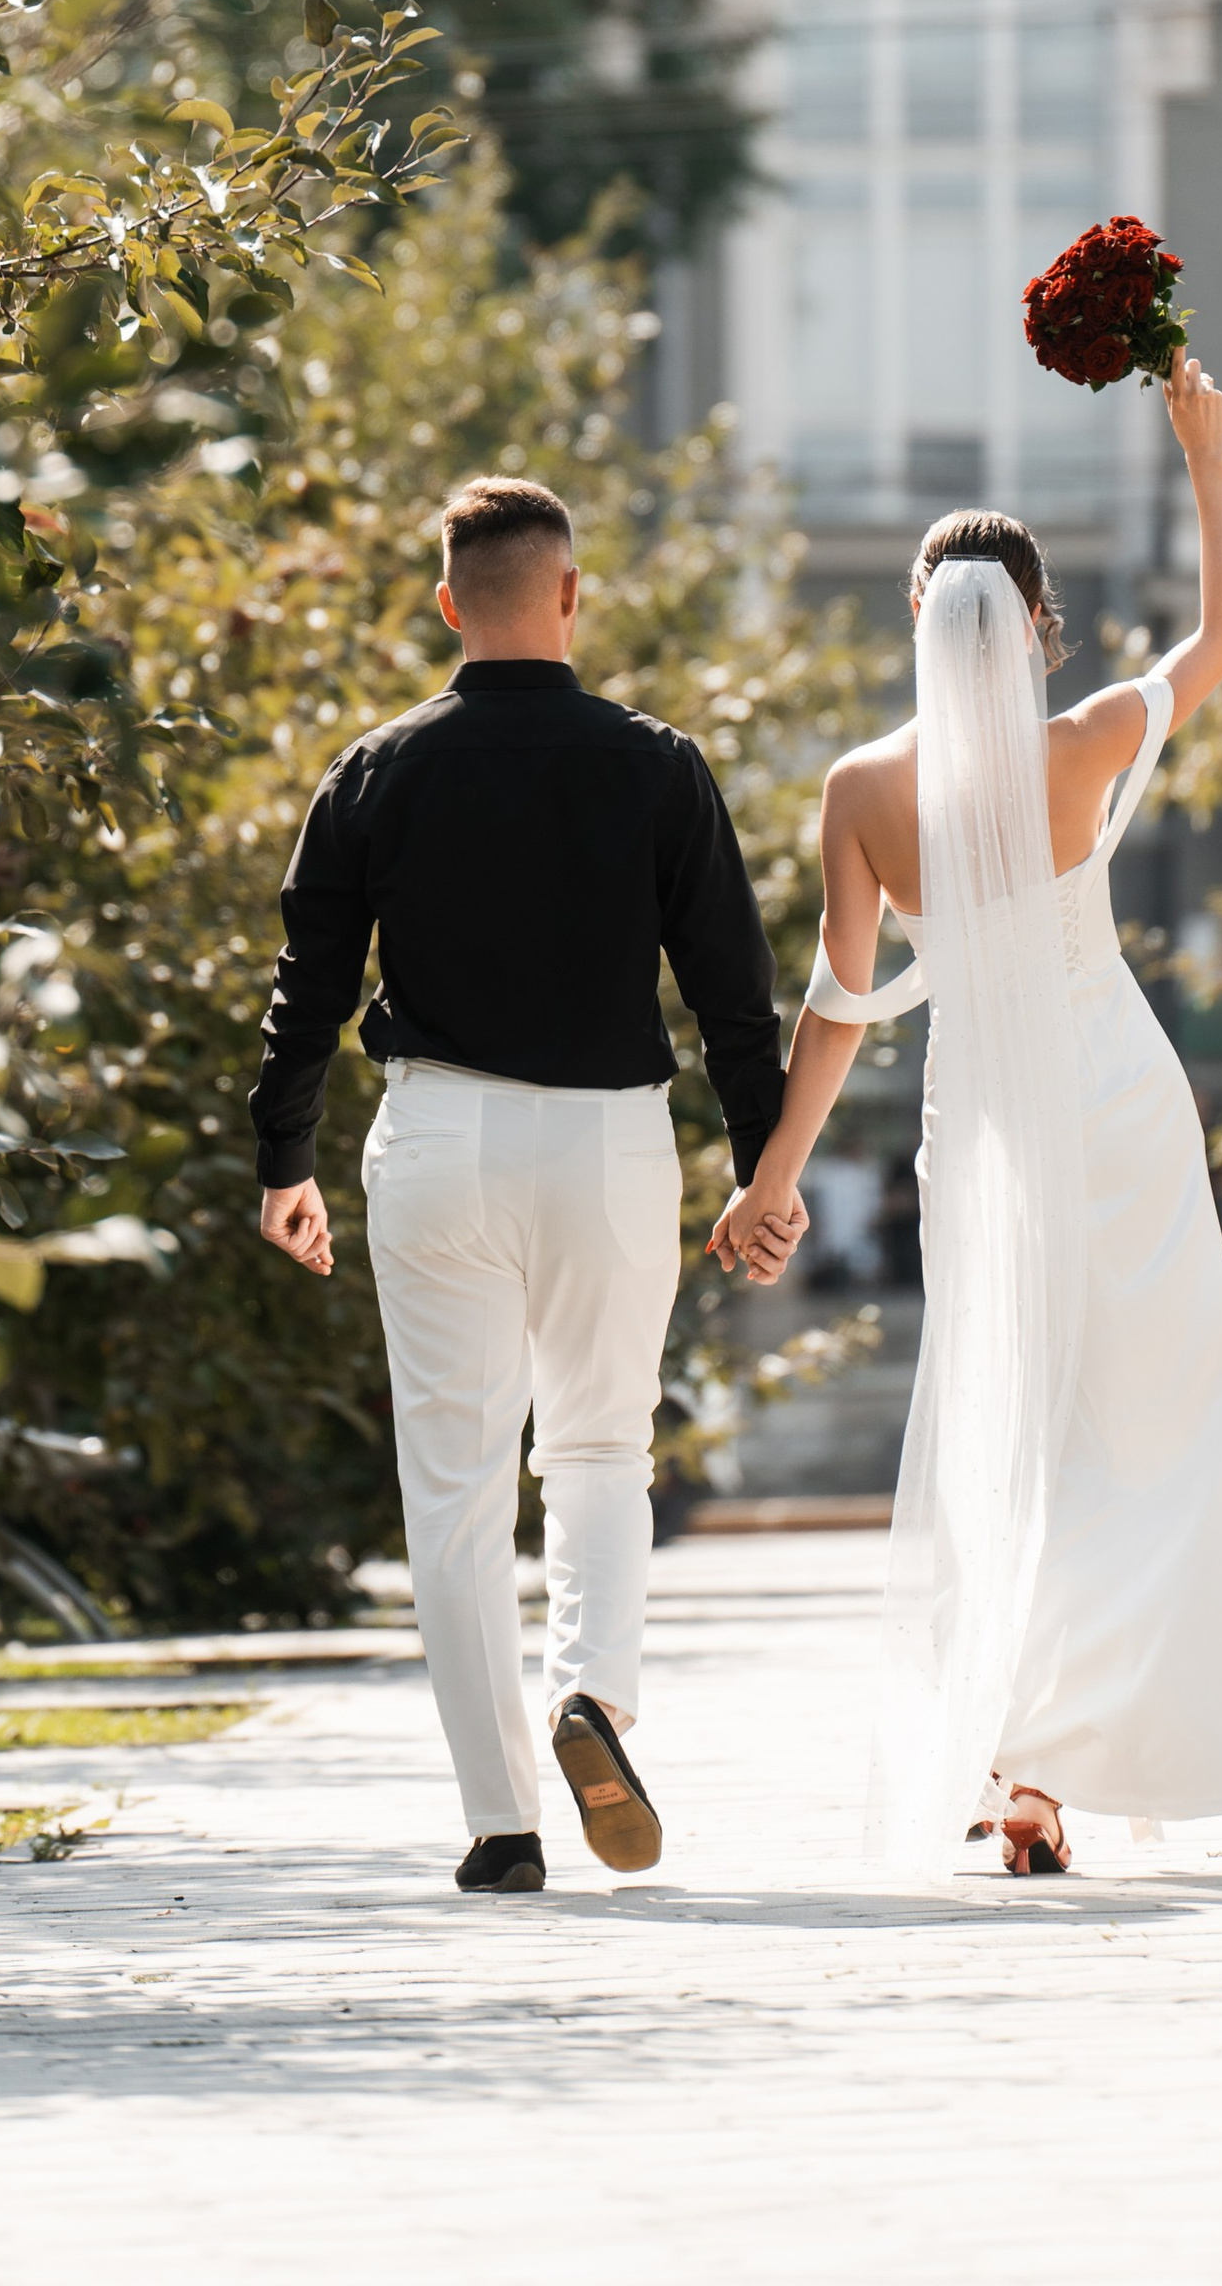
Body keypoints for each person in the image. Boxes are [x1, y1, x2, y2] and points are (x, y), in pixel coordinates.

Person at [711, 356, 1222, 1880]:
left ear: (914, 626)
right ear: (1037, 625)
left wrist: (773, 1179)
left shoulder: (864, 790)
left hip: (984, 1124)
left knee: (999, 1410)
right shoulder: (1086, 745)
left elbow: (832, 1007)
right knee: (1146, 1409)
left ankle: (1018, 1755)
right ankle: (1065, 1740)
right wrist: (1205, 454)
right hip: (1120, 1105)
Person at [250, 475, 795, 1896]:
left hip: (435, 1141)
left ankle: (501, 1822)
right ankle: (595, 1702)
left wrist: (281, 1161)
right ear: (570, 593)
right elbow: (735, 997)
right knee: (605, 1449)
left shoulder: (375, 770)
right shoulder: (658, 765)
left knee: (454, 1489)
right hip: (608, 1143)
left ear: (448, 606)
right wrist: (764, 1170)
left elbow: (307, 989)